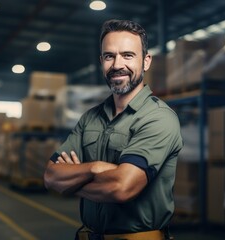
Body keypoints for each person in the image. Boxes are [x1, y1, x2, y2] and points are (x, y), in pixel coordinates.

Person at [44, 19, 183, 240]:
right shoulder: (90, 118)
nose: (118, 64)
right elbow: (51, 176)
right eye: (109, 56)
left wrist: (72, 182)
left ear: (146, 62)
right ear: (101, 61)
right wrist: (95, 169)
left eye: (128, 55)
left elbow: (121, 187)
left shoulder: (158, 118)